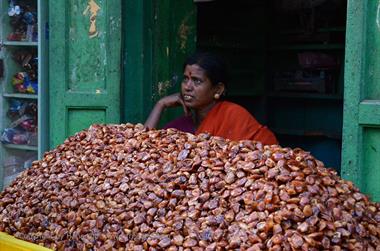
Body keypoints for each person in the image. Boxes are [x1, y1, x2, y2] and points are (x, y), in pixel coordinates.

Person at [144, 52, 278, 145]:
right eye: (185, 79)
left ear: (218, 89)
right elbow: (140, 148)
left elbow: (268, 158)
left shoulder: (233, 115)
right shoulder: (180, 127)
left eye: (197, 81)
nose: (188, 87)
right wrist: (160, 105)